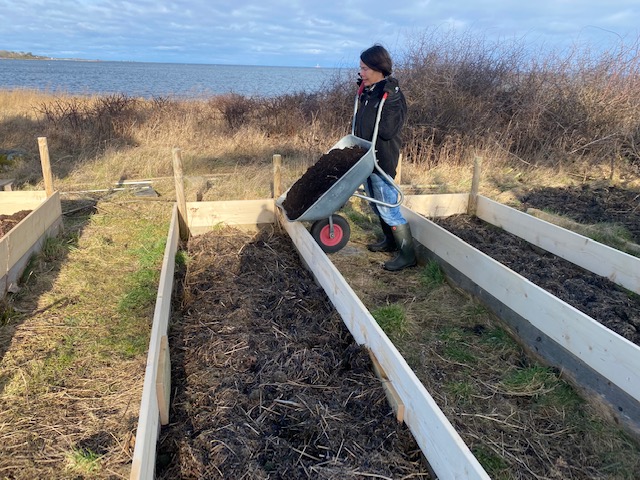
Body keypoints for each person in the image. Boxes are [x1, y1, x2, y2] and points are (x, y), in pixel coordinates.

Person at [354, 44, 416, 271]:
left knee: (389, 208)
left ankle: (407, 255)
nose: (361, 73)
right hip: (366, 159)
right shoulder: (370, 93)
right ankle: (389, 241)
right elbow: (361, 126)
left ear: (378, 68)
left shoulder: (392, 96)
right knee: (375, 204)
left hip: (382, 160)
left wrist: (388, 99)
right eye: (360, 68)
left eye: (365, 68)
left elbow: (388, 131)